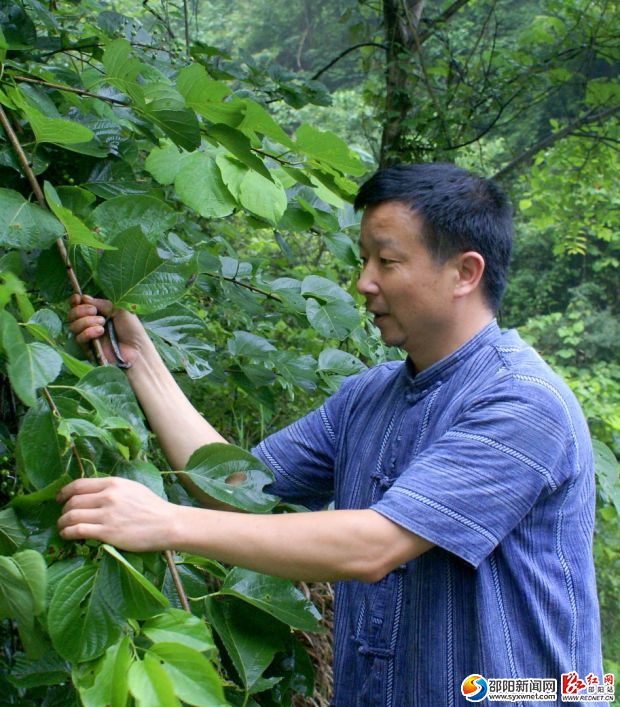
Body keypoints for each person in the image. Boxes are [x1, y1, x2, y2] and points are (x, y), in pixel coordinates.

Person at [59, 163, 603, 706]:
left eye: (386, 261)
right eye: (364, 258)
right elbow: (233, 483)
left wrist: (165, 522)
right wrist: (141, 362)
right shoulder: (366, 398)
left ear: (464, 272)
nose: (364, 281)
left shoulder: (522, 401)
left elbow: (376, 545)